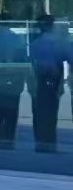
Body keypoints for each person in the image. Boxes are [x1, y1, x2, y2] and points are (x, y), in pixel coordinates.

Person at [0, 16, 29, 151]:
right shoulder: (18, 39)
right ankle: (9, 139)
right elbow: (23, 60)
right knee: (12, 112)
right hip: (13, 81)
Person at [30, 14, 66, 151]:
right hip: (54, 80)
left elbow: (31, 64)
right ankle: (50, 142)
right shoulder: (59, 42)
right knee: (51, 113)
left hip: (40, 79)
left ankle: (41, 142)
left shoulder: (36, 44)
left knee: (39, 113)